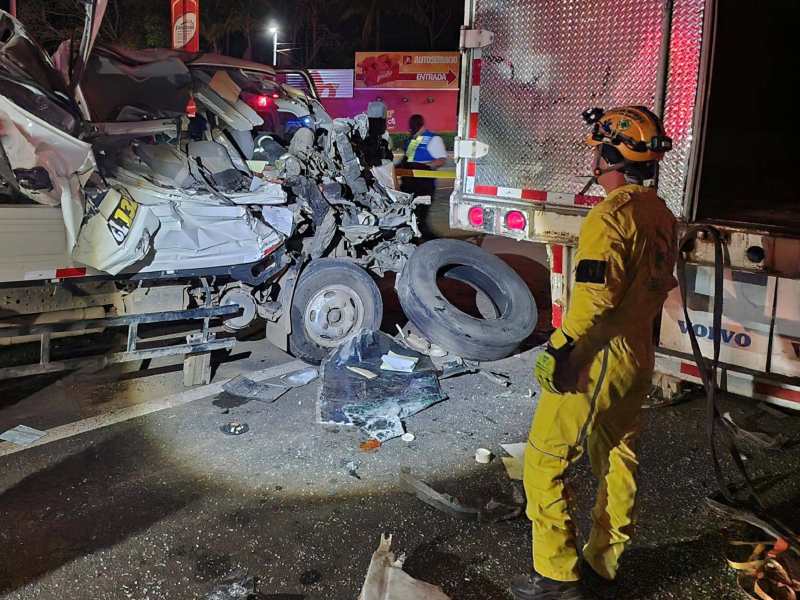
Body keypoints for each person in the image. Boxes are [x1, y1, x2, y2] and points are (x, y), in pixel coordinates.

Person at [511, 106, 677, 600]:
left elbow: (593, 302)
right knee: (618, 456)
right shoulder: (660, 213)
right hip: (638, 353)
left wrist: (563, 350)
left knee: (545, 459)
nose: (594, 162)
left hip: (599, 355)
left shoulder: (610, 217)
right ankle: (605, 561)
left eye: (598, 152)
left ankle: (557, 576)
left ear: (610, 157)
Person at [399, 114, 448, 198]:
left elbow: (442, 160)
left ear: (421, 126)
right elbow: (407, 159)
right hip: (408, 184)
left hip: (424, 185)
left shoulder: (434, 139)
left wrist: (426, 166)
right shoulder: (411, 140)